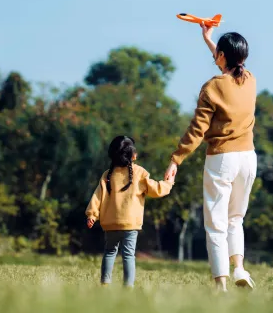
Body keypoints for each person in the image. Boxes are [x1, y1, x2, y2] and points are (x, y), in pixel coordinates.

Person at [164, 24, 257, 292]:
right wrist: (208, 39)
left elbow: (197, 130)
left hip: (222, 159)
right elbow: (229, 65)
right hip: (248, 159)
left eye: (217, 54)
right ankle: (239, 267)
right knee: (235, 219)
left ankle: (221, 286)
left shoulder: (212, 87)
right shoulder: (250, 79)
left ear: (223, 57)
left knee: (216, 223)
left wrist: (176, 159)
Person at [86, 135, 174, 287]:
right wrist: (168, 183)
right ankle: (128, 286)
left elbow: (97, 196)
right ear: (133, 155)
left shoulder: (107, 174)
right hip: (130, 224)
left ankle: (105, 283)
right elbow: (156, 190)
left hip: (110, 223)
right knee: (128, 255)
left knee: (109, 252)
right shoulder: (139, 173)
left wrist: (92, 214)